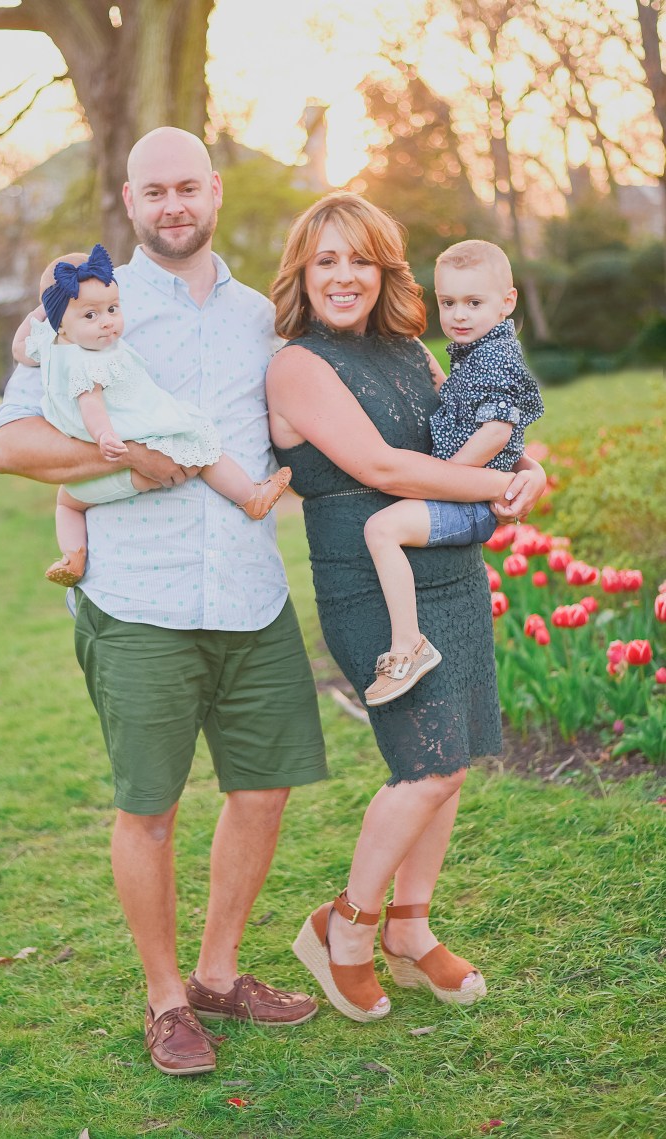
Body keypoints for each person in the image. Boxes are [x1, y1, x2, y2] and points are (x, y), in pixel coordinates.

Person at [0, 127, 328, 1075]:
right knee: (151, 805)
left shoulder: (263, 314)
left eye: (188, 187)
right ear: (129, 201)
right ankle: (168, 999)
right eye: (154, 191)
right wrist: (127, 465)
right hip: (139, 600)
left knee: (263, 790)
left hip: (253, 595)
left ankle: (220, 974)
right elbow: (10, 445)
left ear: (214, 192)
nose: (173, 204)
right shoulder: (87, 307)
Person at [266, 192, 545, 1023]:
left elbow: (474, 435)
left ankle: (410, 929)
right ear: (304, 274)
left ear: (383, 269)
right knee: (425, 764)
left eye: (360, 258)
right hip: (368, 580)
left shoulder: (413, 350)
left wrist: (525, 471)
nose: (344, 275)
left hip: (450, 568)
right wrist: (499, 485)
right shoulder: (296, 364)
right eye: (326, 260)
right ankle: (342, 927)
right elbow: (386, 467)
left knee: (452, 758)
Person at [11, 243, 291, 585]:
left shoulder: (52, 349)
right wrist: (105, 436)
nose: (106, 323)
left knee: (68, 503)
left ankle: (73, 556)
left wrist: (44, 310)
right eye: (90, 315)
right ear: (62, 324)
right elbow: (91, 404)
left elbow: (19, 346)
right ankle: (251, 496)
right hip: (135, 432)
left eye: (113, 309)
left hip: (104, 457)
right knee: (204, 449)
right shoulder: (91, 359)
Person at [362, 238, 544, 706]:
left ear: (507, 303)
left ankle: (409, 645)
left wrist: (446, 477)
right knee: (385, 528)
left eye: (473, 302)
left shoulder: (497, 357)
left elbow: (497, 431)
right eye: (448, 302)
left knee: (382, 530)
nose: (458, 315)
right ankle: (409, 643)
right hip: (469, 492)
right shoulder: (475, 350)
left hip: (472, 501)